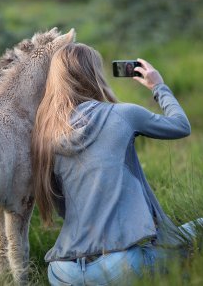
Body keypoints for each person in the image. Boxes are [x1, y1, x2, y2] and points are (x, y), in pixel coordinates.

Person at [31, 43, 202, 286]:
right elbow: (181, 126)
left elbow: (63, 209)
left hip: (62, 272)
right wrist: (158, 86)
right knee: (192, 243)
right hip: (119, 266)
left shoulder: (46, 135)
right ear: (94, 74)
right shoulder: (123, 114)